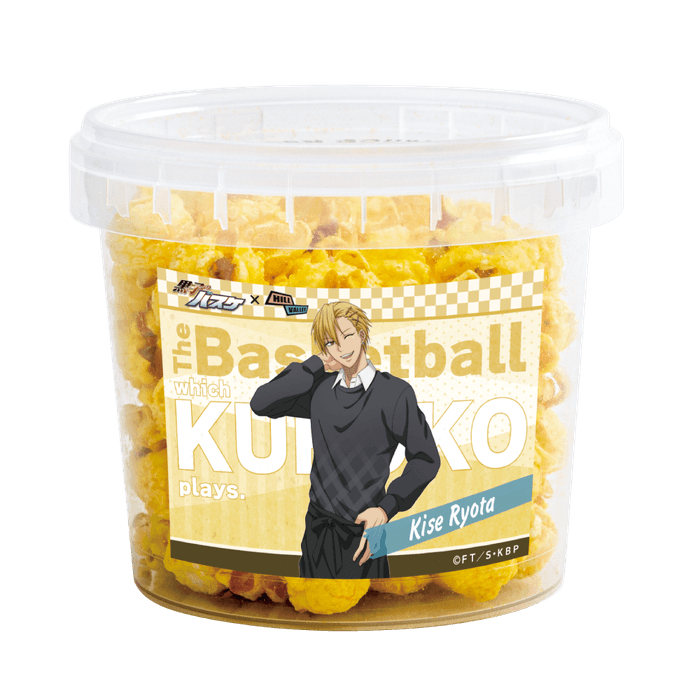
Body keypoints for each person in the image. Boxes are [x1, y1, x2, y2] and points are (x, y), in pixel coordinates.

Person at [250, 301, 440, 579]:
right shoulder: (321, 391)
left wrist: (386, 508)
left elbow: (426, 458)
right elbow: (261, 403)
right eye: (331, 342)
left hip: (364, 532)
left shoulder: (393, 394)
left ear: (361, 335)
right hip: (318, 529)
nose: (341, 347)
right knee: (312, 600)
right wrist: (315, 364)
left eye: (347, 336)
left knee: (372, 603)